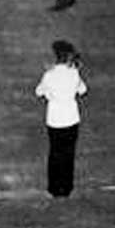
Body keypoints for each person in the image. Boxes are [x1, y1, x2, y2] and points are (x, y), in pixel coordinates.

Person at [35, 40, 87, 198]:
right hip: (71, 118)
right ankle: (67, 187)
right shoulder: (73, 73)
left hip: (55, 119)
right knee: (68, 153)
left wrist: (49, 92)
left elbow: (39, 92)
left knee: (55, 153)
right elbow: (83, 90)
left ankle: (54, 188)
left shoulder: (49, 75)